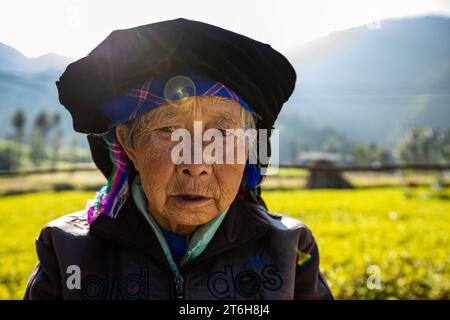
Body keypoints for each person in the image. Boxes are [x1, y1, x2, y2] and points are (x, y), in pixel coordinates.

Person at [23, 18, 333, 300]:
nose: (196, 164)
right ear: (128, 143)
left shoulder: (290, 251)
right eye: (169, 130)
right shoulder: (66, 252)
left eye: (222, 135)